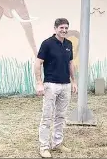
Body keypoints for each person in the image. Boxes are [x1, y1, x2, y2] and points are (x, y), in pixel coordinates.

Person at [35, 18, 78, 158]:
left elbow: (71, 63)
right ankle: (44, 147)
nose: (64, 30)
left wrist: (74, 81)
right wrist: (39, 83)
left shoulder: (69, 44)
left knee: (60, 116)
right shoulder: (47, 44)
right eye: (61, 28)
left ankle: (57, 143)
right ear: (55, 28)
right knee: (47, 117)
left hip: (65, 85)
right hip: (50, 85)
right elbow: (38, 63)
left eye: (66, 28)